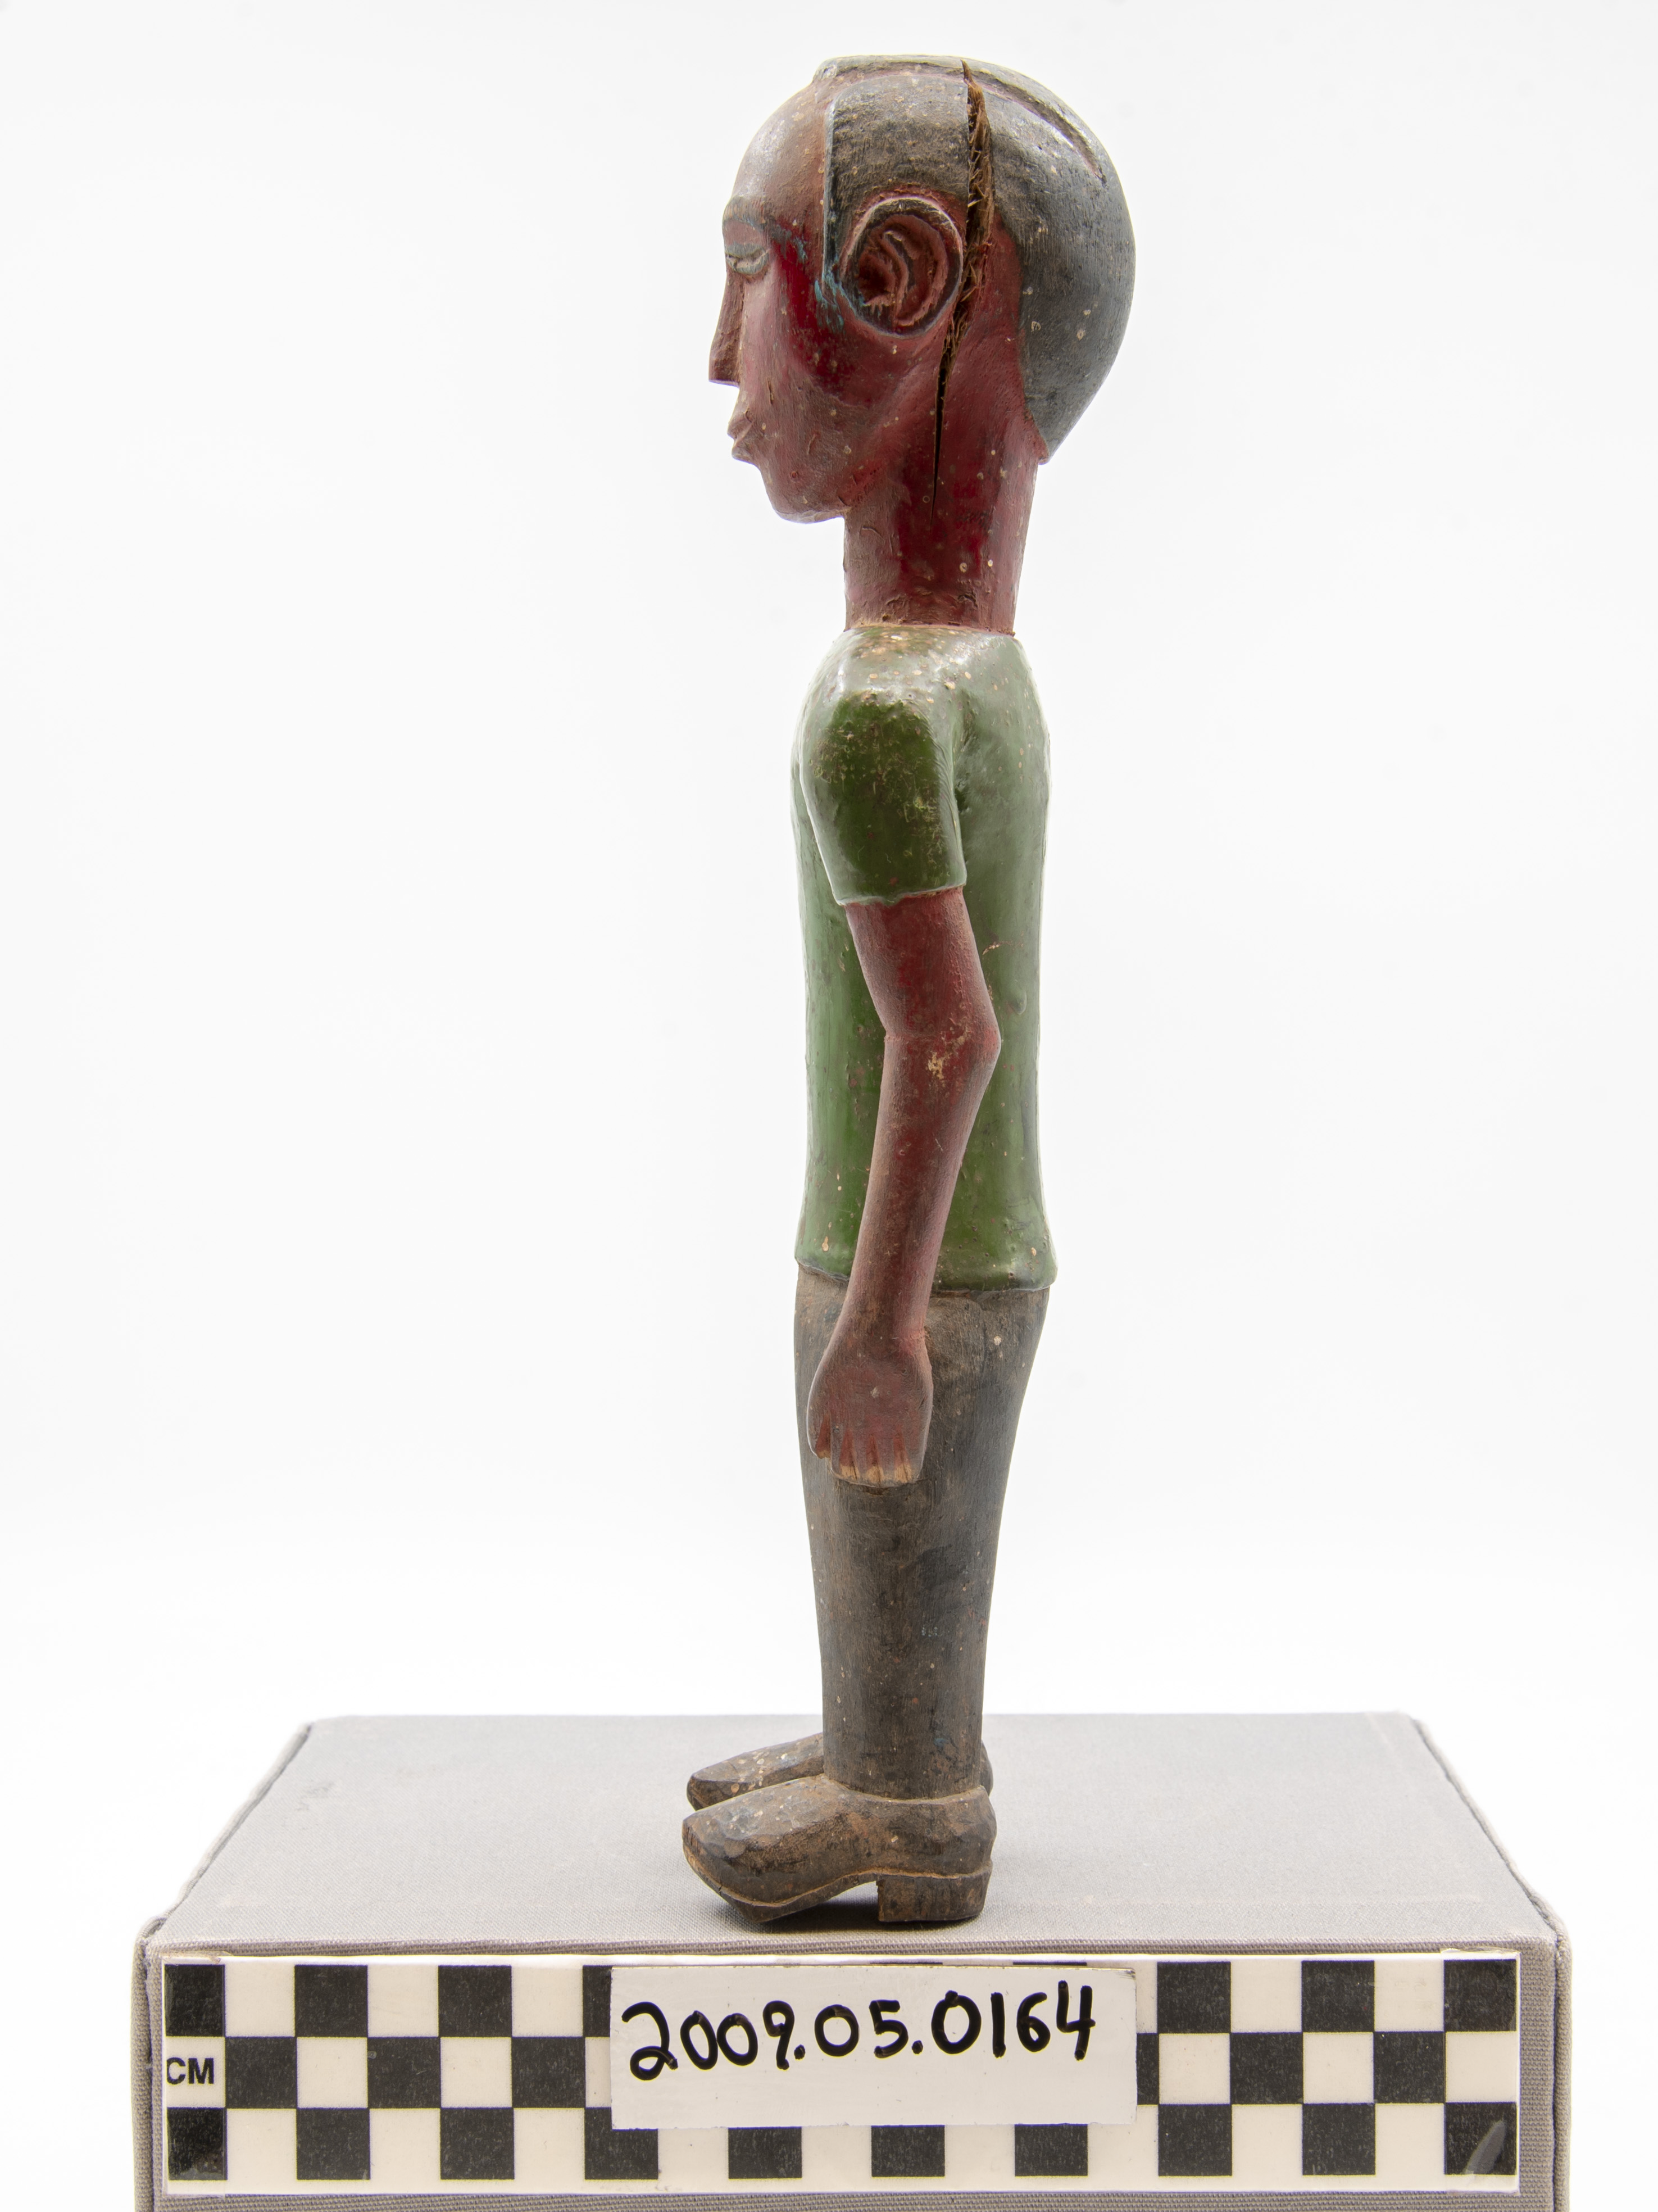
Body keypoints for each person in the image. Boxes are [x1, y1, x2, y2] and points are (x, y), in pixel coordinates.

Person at [681, 54, 1133, 1923]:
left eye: (747, 271)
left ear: (899, 281)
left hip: (921, 1255)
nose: (718, 359)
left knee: (874, 1457)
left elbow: (948, 1030)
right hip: (950, 1238)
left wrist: (879, 1320)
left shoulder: (880, 710)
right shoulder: (976, 677)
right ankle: (876, 1735)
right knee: (874, 1522)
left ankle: (910, 1803)